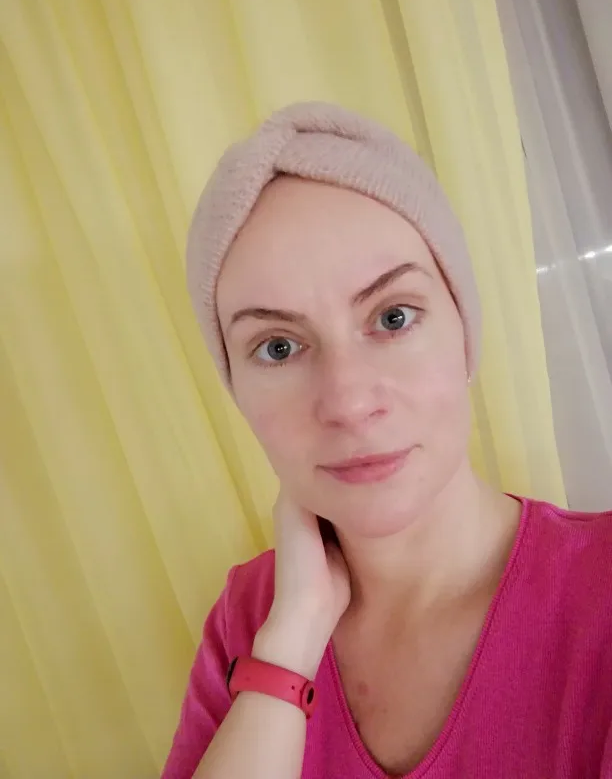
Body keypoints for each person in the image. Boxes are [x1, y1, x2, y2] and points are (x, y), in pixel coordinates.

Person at [161, 102, 612, 779]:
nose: (348, 402)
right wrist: (291, 639)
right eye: (278, 347)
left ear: (464, 334)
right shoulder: (248, 614)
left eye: (394, 317)